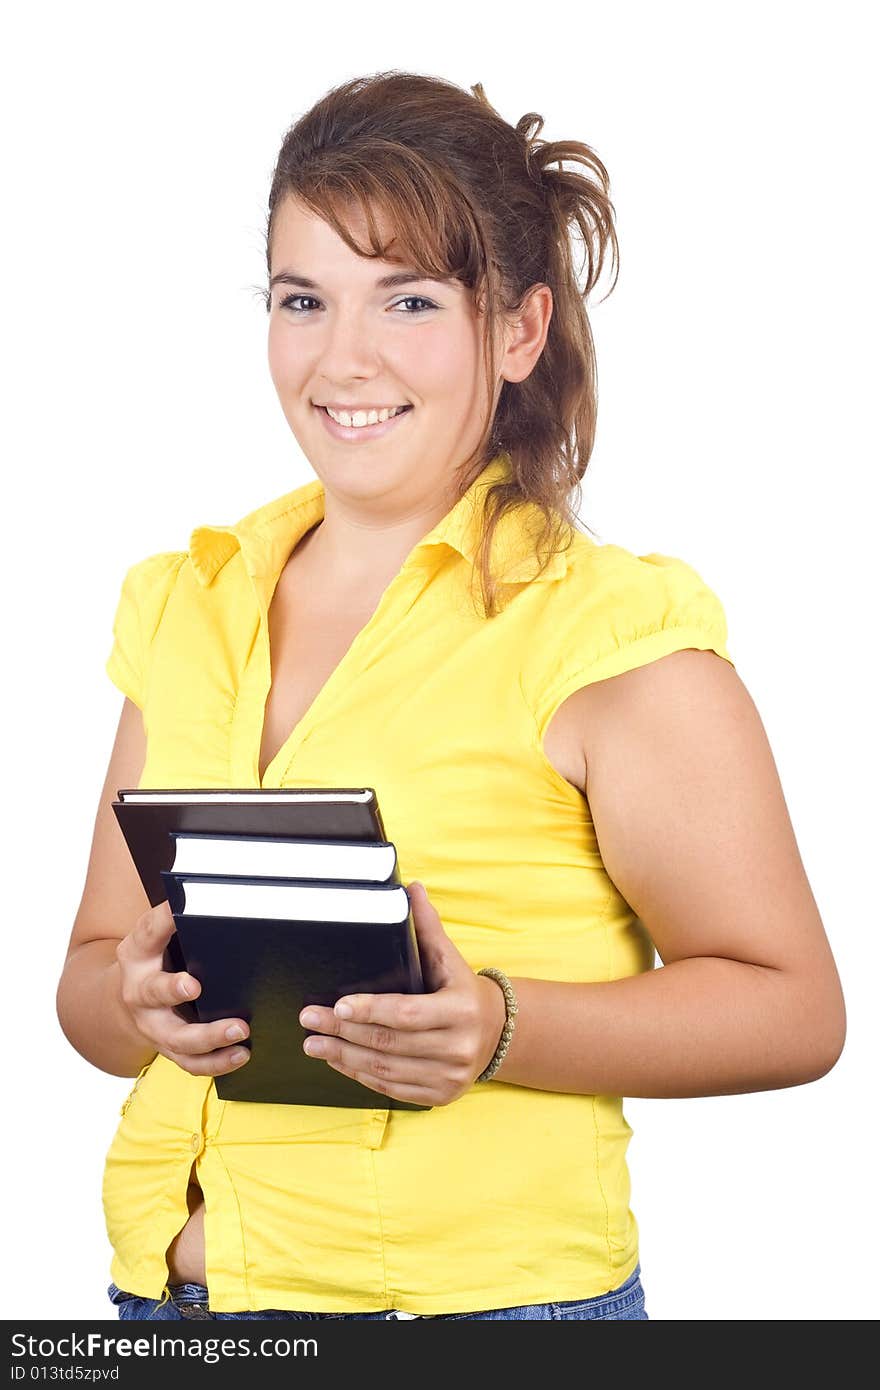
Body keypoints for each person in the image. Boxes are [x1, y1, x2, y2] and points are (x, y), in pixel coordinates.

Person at [56, 70, 846, 1323]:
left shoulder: (606, 636)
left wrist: (496, 1031)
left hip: (475, 1319)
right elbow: (92, 989)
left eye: (408, 300)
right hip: (164, 1308)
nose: (342, 357)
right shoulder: (182, 605)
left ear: (518, 331)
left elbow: (793, 1009)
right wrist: (137, 1003)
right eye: (301, 298)